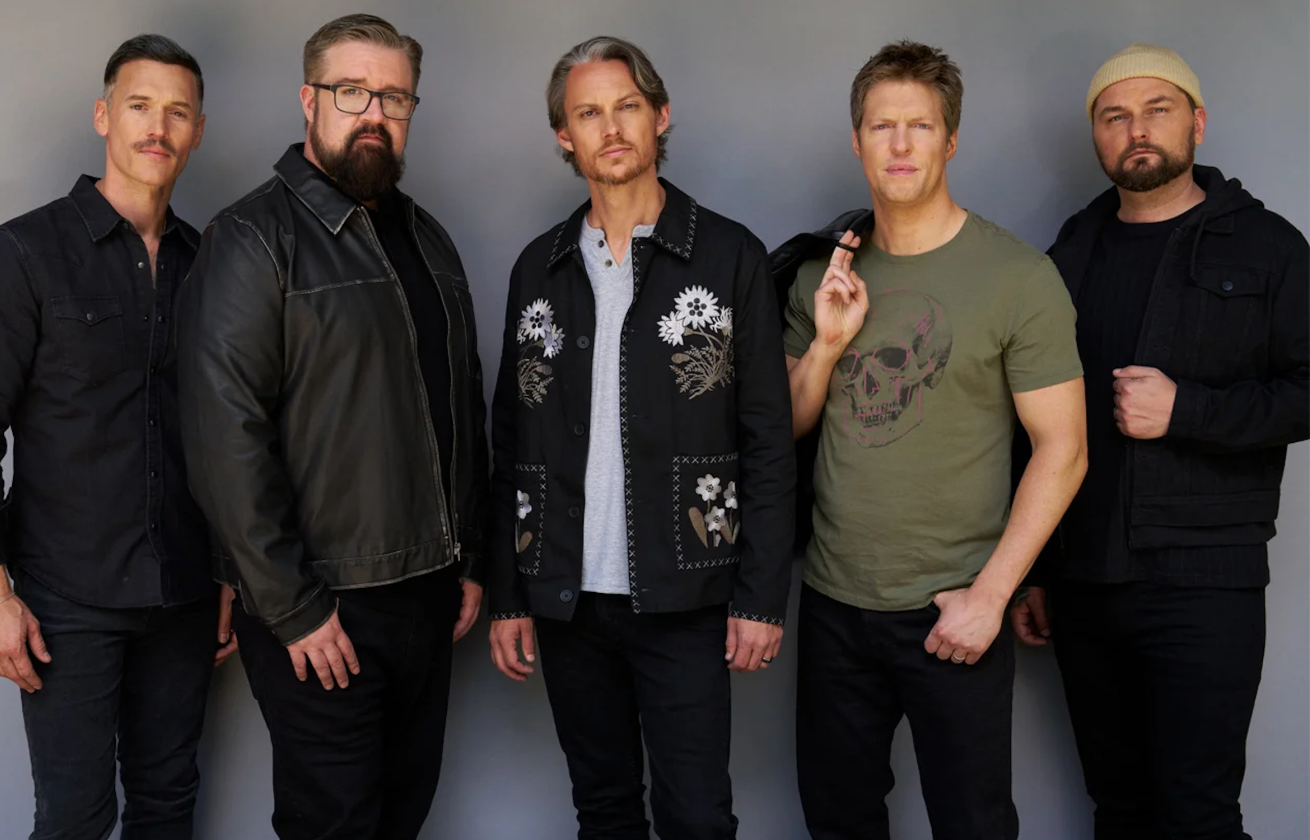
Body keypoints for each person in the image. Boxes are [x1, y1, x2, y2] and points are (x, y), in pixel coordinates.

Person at [175, 14, 488, 840]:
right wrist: (293, 608)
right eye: (352, 92)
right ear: (309, 100)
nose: (373, 113)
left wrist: (471, 557)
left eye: (393, 96)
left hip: (429, 593)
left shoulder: (429, 239)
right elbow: (223, 439)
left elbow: (461, 405)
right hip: (323, 605)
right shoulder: (252, 238)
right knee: (335, 825)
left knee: (401, 817)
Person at [0, 34, 228, 840]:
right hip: (67, 598)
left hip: (186, 591)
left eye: (178, 112)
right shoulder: (26, 251)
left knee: (169, 806)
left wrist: (231, 575)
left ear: (197, 132)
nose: (158, 127)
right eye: (139, 105)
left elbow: (229, 434)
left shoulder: (210, 264)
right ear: (103, 116)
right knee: (75, 820)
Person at [486, 35, 795, 840]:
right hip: (567, 595)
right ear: (565, 135)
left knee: (697, 817)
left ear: (660, 116)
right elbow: (509, 440)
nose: (611, 127)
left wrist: (761, 596)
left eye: (627, 106)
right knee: (605, 809)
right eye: (588, 113)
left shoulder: (728, 256)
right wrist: (510, 592)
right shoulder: (539, 268)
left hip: (686, 591)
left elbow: (768, 437)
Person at [779, 39, 1087, 840]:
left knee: (973, 825)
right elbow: (785, 424)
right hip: (835, 602)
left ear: (951, 141)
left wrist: (990, 597)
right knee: (837, 822)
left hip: (955, 603)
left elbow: (1065, 449)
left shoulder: (1018, 278)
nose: (901, 144)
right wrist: (828, 345)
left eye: (920, 126)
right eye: (882, 125)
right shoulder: (820, 275)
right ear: (857, 140)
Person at [1010, 43, 1309, 840]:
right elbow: (1032, 422)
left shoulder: (1269, 246)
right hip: (1084, 580)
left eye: (1157, 110)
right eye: (1114, 116)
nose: (1135, 129)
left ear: (1197, 123)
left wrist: (1187, 411)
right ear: (1097, 138)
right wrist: (1034, 568)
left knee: (1198, 815)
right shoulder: (1070, 252)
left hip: (1206, 581)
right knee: (1119, 811)